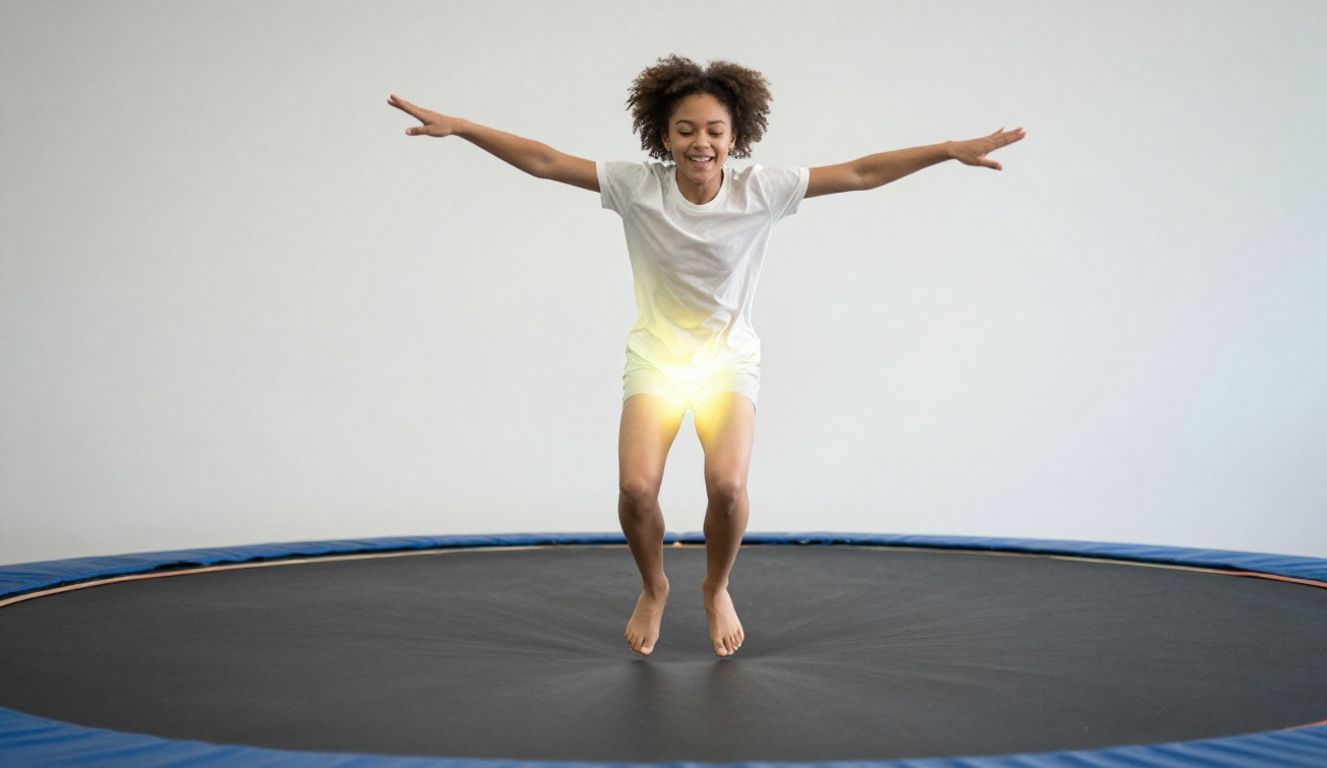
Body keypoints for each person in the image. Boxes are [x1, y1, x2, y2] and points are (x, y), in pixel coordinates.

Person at [388, 54, 1024, 659]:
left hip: (727, 363)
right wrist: (464, 128)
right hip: (657, 363)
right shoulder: (637, 187)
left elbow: (859, 173)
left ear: (736, 135)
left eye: (715, 130)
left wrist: (947, 151)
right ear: (663, 136)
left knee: (727, 485)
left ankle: (716, 587)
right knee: (637, 489)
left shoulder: (763, 188)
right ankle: (655, 585)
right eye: (685, 129)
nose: (701, 141)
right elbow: (547, 161)